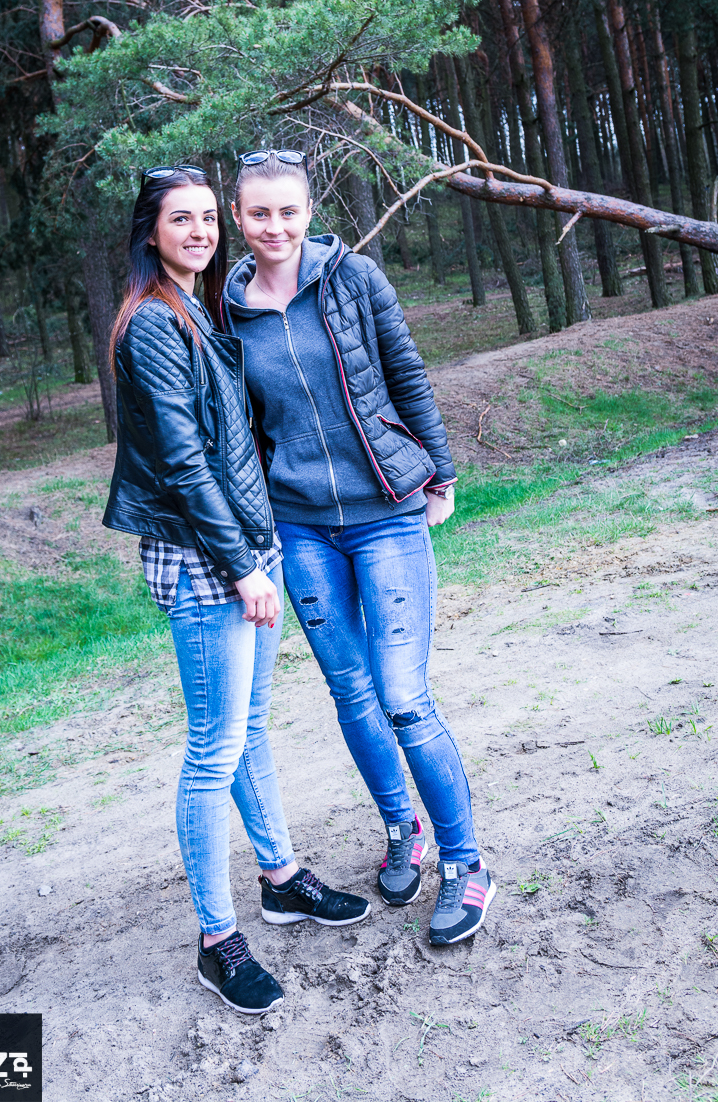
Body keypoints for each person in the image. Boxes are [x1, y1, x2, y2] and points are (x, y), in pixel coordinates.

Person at [103, 164, 370, 1016]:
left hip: (249, 545)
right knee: (212, 749)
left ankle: (280, 878)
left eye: (208, 219)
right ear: (151, 232)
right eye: (180, 220)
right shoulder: (153, 323)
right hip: (206, 560)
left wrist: (259, 549)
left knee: (248, 729)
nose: (200, 233)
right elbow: (184, 464)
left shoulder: (199, 309)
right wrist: (243, 566)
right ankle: (216, 941)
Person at [223, 150, 496, 947]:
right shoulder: (226, 308)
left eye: (288, 211)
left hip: (386, 512)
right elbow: (239, 426)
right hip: (300, 525)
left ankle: (466, 864)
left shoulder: (354, 278)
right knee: (350, 691)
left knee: (403, 694)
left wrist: (439, 470)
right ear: (238, 217)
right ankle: (401, 829)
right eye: (258, 213)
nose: (274, 227)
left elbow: (405, 373)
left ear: (308, 212)